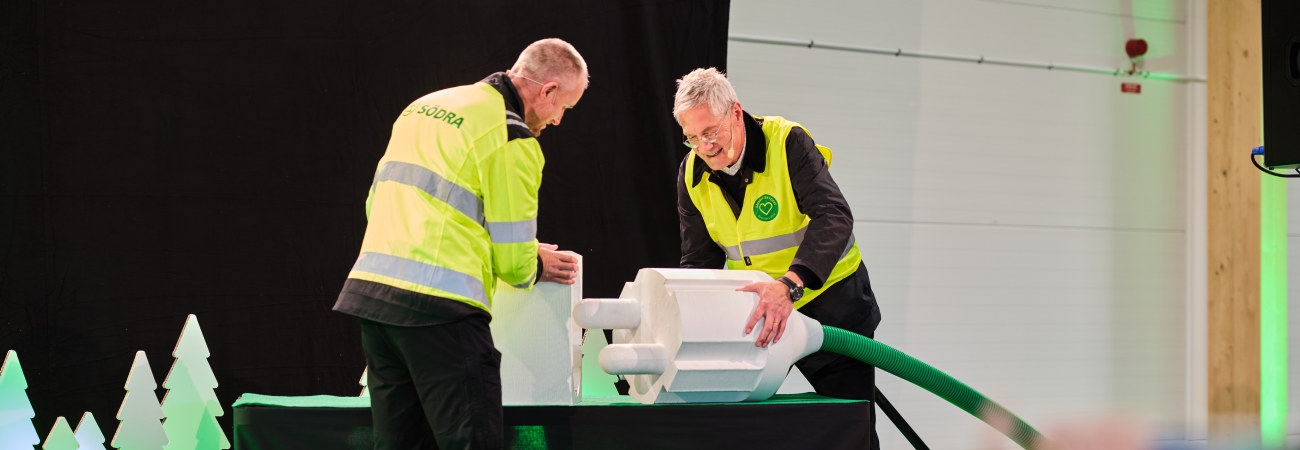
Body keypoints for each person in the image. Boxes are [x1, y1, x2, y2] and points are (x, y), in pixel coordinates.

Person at [333, 38, 588, 449]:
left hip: (374, 300)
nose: (558, 120)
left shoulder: (426, 106)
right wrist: (536, 261)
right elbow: (514, 264)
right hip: (441, 312)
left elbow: (375, 203)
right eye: (565, 107)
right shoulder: (512, 137)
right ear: (548, 91)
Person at [673, 67, 883, 449]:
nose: (704, 146)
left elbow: (834, 215)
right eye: (691, 138)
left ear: (736, 113)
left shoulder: (787, 143)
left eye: (710, 132)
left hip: (833, 305)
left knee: (849, 431)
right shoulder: (692, 175)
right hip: (761, 317)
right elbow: (698, 262)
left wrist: (789, 285)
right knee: (745, 427)